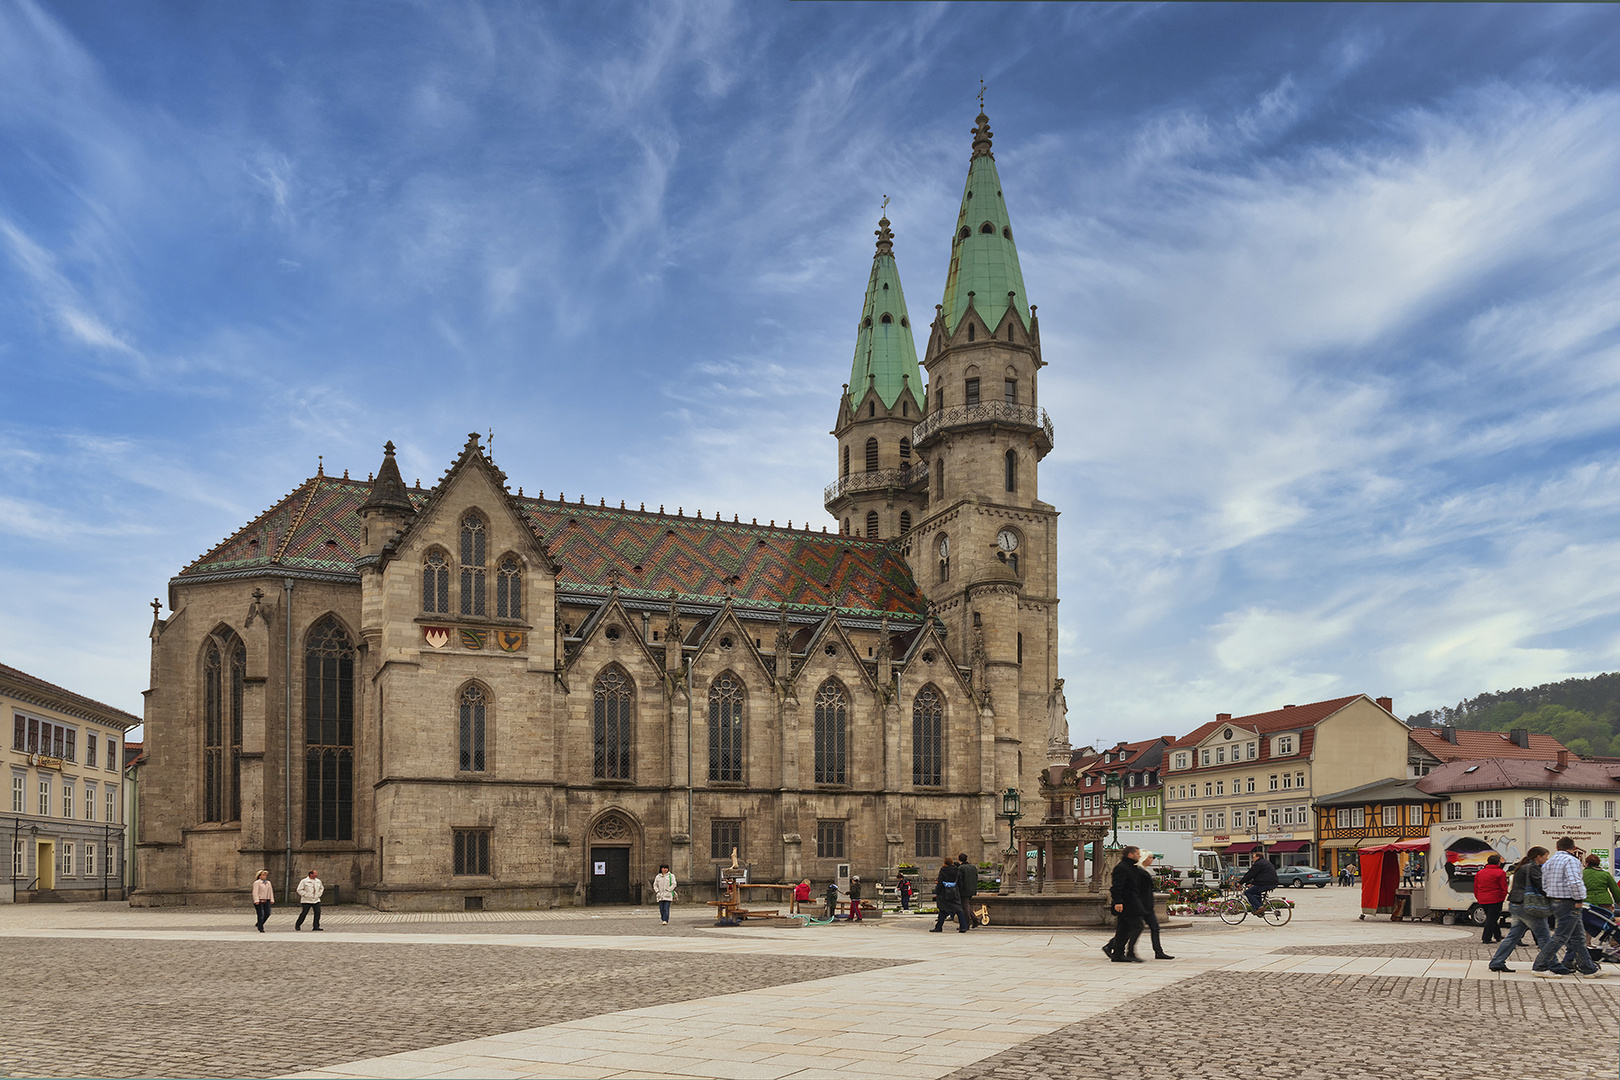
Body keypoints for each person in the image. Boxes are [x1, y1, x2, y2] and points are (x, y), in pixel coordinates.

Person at [1533, 837, 1603, 978]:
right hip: (1569, 902)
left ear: (1557, 847)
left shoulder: (1549, 862)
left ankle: (1589, 968)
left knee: (1578, 937)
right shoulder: (1571, 861)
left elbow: (1544, 883)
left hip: (1556, 901)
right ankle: (1539, 966)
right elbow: (1574, 881)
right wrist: (1579, 898)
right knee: (1561, 936)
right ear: (1574, 848)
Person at [1490, 847, 1552, 972]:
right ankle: (1552, 963)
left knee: (1513, 936)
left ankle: (1497, 961)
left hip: (1516, 904)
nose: (1547, 858)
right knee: (1544, 936)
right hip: (1527, 906)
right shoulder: (1532, 868)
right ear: (1538, 856)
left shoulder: (1522, 867)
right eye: (1545, 856)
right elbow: (1542, 886)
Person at [1104, 846, 1146, 962]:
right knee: (1137, 926)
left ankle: (1118, 953)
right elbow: (1117, 886)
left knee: (1123, 928)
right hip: (1127, 903)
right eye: (1137, 853)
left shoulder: (1131, 867)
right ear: (1130, 855)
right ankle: (1128, 952)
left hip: (1131, 902)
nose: (1139, 856)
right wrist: (1118, 901)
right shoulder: (1122, 867)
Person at [1137, 853, 1174, 960]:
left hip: (1147, 905)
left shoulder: (1145, 870)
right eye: (1150, 857)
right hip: (1142, 905)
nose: (1152, 859)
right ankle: (1112, 946)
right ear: (1144, 858)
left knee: (1154, 927)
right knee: (1132, 929)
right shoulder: (1139, 871)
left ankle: (1158, 951)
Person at [1582, 854, 1620, 945]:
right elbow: (1615, 889)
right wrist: (1618, 901)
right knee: (1611, 923)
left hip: (1587, 902)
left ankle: (1586, 943)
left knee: (1587, 923)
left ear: (1587, 863)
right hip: (1604, 902)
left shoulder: (1581, 874)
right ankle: (1614, 942)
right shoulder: (1605, 874)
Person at [1474, 854, 1509, 945]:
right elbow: (1503, 887)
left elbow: (1476, 887)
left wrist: (1478, 897)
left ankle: (1497, 935)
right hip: (1495, 898)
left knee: (1492, 917)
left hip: (1482, 898)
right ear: (1498, 863)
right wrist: (1503, 897)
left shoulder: (1480, 873)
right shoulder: (1500, 873)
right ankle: (1486, 937)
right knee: (1492, 918)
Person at [931, 857, 963, 932]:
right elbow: (960, 881)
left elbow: (940, 882)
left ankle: (938, 927)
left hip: (944, 892)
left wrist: (937, 892)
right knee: (958, 910)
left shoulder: (943, 870)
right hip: (954, 892)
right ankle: (963, 926)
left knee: (942, 910)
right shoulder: (956, 870)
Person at [957, 853, 979, 930]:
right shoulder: (973, 867)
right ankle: (975, 919)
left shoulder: (961, 868)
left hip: (964, 889)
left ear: (959, 859)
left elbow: (959, 880)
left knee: (965, 907)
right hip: (972, 889)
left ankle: (966, 923)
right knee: (966, 905)